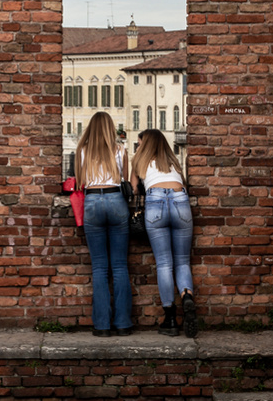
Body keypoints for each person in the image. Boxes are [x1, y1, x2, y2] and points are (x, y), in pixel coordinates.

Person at [133, 128, 196, 337]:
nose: (138, 146)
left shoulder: (139, 162)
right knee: (183, 261)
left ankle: (170, 319)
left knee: (164, 263)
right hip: (180, 200)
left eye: (140, 143)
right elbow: (183, 184)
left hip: (155, 202)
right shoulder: (174, 162)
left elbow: (133, 190)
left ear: (146, 144)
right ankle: (187, 295)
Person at [74, 111, 132, 336]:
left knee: (99, 267)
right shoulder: (120, 150)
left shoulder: (82, 151)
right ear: (110, 128)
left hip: (92, 201)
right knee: (119, 266)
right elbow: (125, 180)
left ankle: (102, 326)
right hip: (116, 200)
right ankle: (124, 324)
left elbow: (80, 181)